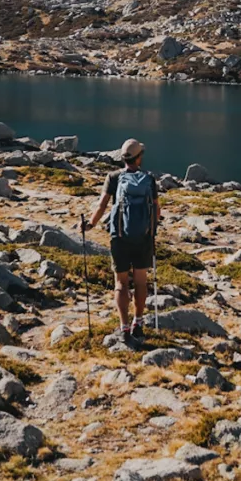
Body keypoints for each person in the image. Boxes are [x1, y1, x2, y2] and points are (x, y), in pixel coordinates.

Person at [83, 137, 160, 340]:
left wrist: (90, 224)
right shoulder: (149, 179)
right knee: (141, 281)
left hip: (119, 237)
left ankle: (124, 326)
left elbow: (102, 205)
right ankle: (138, 322)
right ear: (139, 157)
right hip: (143, 238)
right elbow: (156, 208)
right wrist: (151, 230)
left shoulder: (113, 177)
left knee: (121, 282)